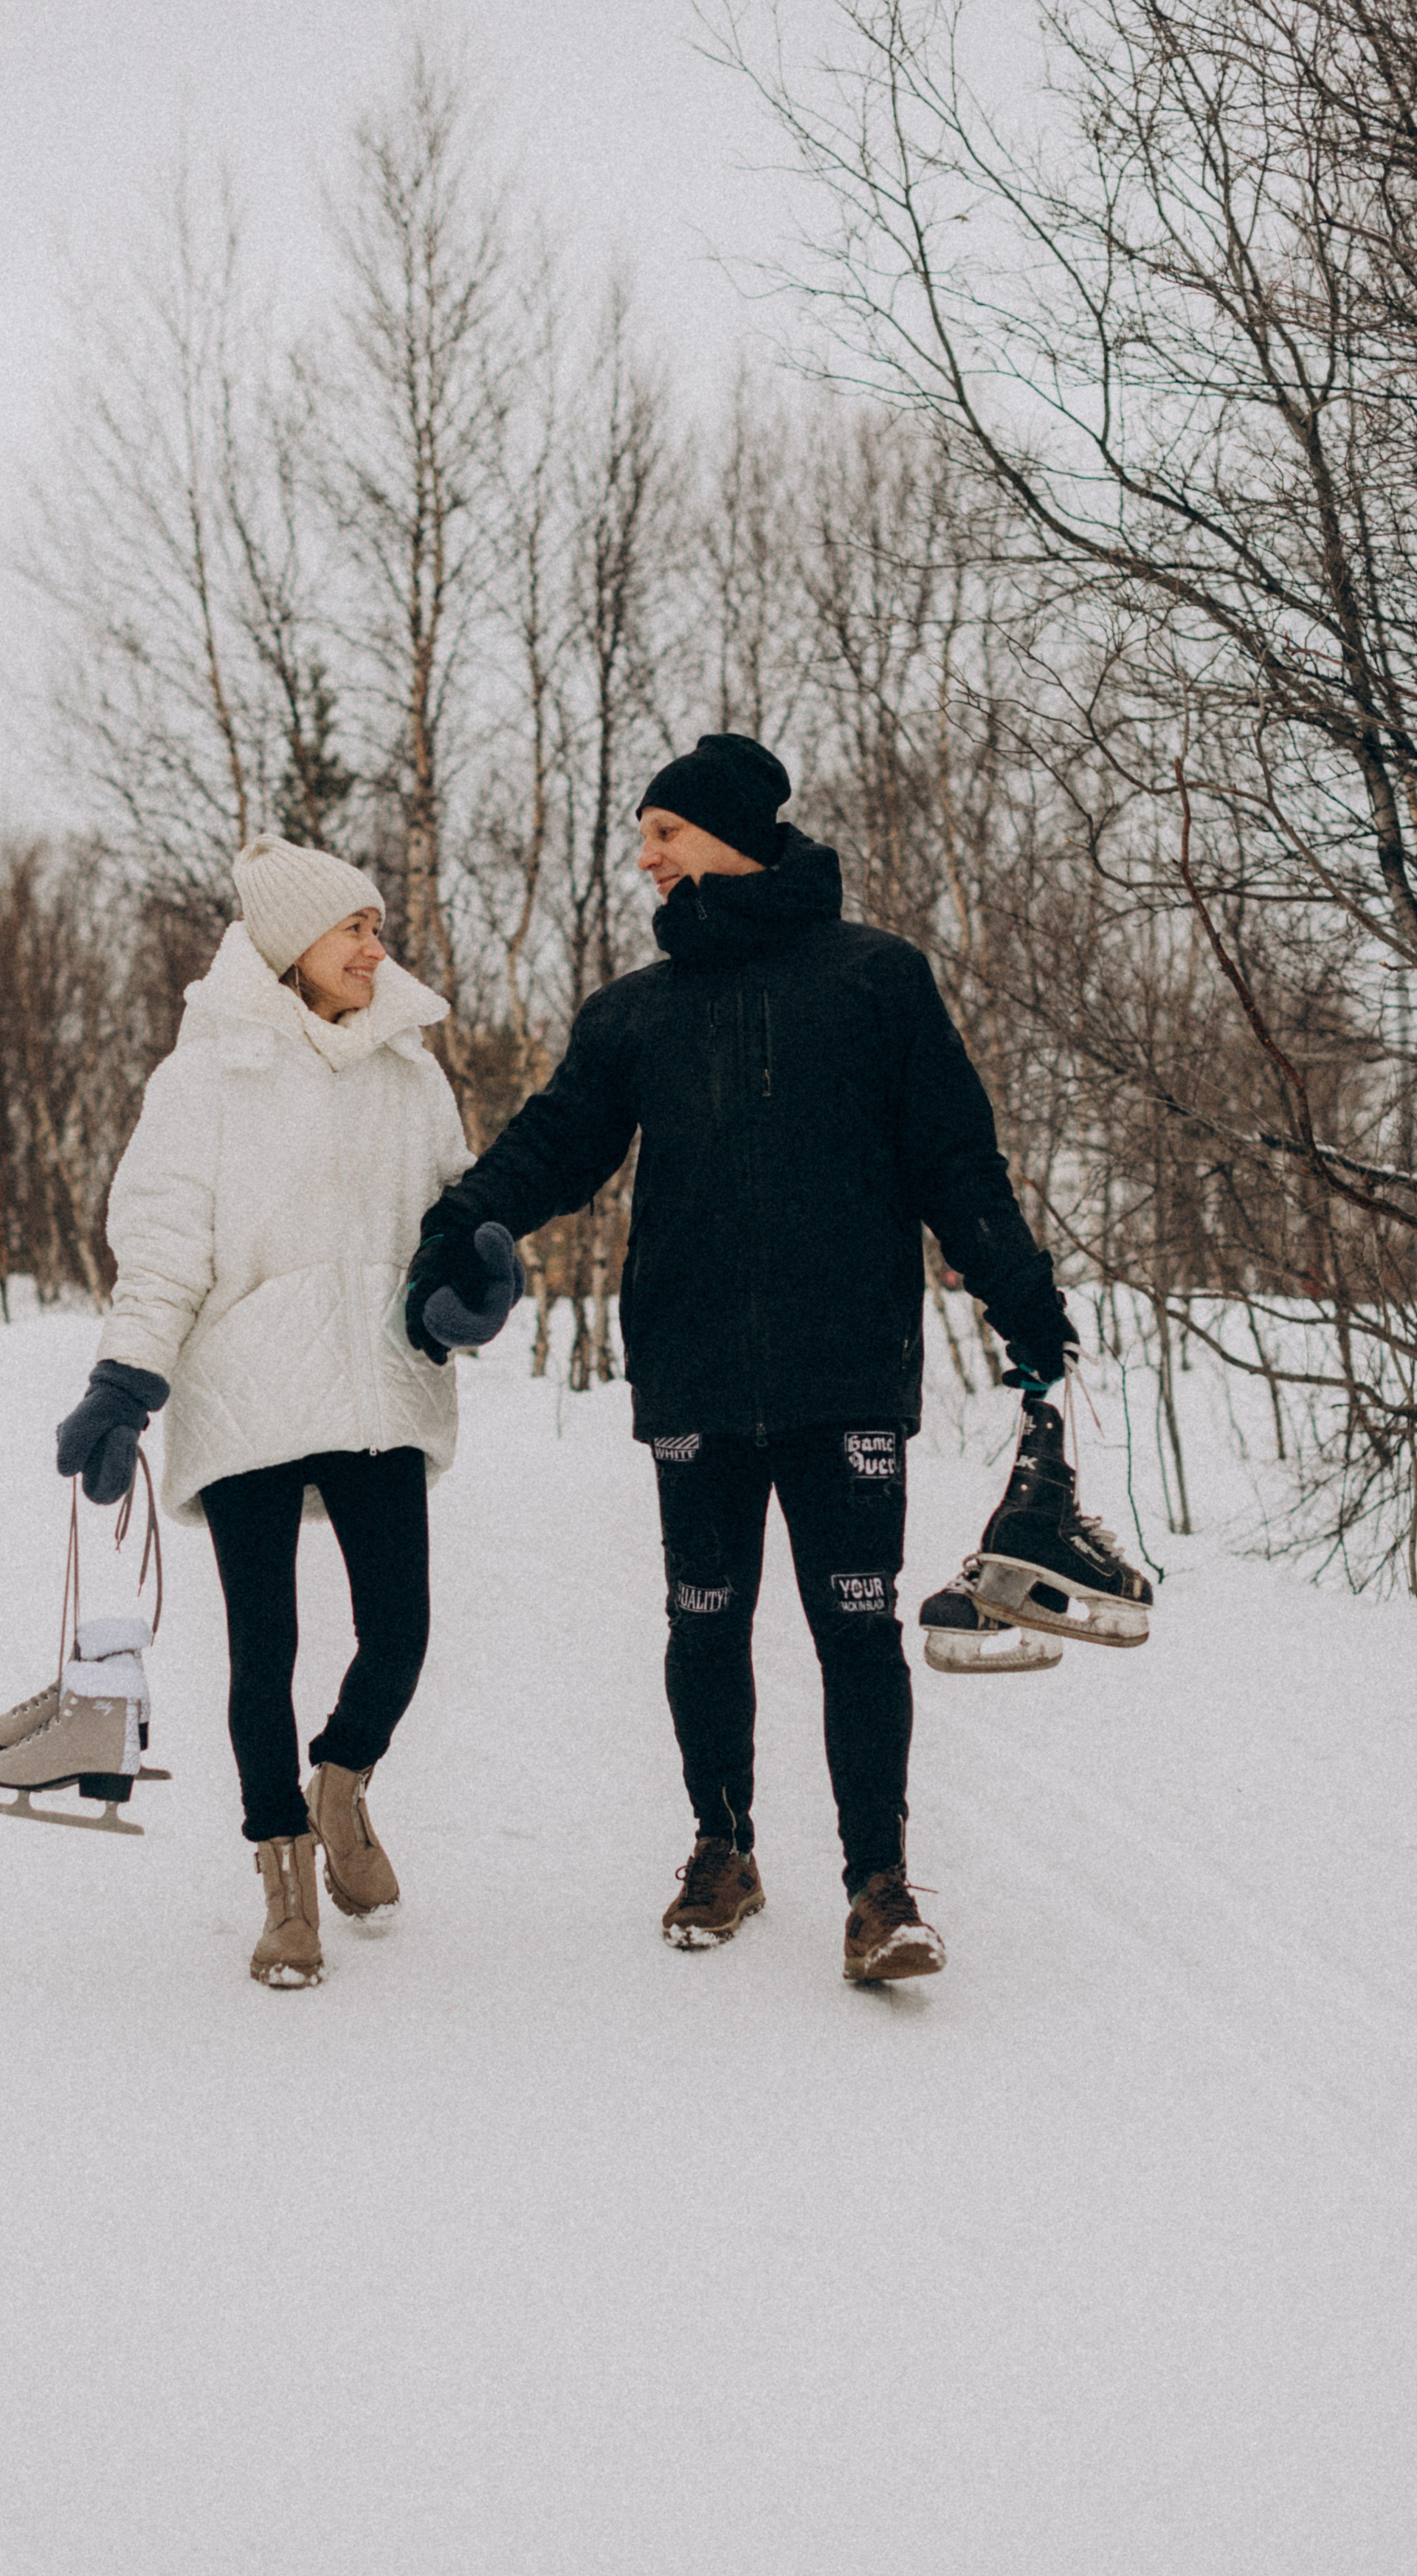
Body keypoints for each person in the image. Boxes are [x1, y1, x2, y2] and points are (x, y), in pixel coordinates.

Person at [404, 733, 1075, 1983]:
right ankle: (723, 1848)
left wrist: (1025, 1302)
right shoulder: (637, 1012)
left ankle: (879, 1887)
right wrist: (459, 1224)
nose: (646, 859)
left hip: (846, 1366)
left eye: (664, 832)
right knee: (703, 1620)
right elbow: (555, 1146)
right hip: (696, 1368)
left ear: (727, 835)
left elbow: (955, 1161)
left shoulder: (877, 980)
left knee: (856, 1627)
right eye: (645, 838)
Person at [52, 834, 506, 1989]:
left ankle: (340, 1785)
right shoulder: (204, 1078)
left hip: (381, 1380)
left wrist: (470, 1287)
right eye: (353, 926)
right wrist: (125, 1379)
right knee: (267, 1651)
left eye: (376, 925)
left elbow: (453, 1214)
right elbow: (163, 1246)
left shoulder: (409, 1069)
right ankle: (284, 1878)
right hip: (247, 1384)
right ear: (290, 943)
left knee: (399, 1634)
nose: (375, 946)